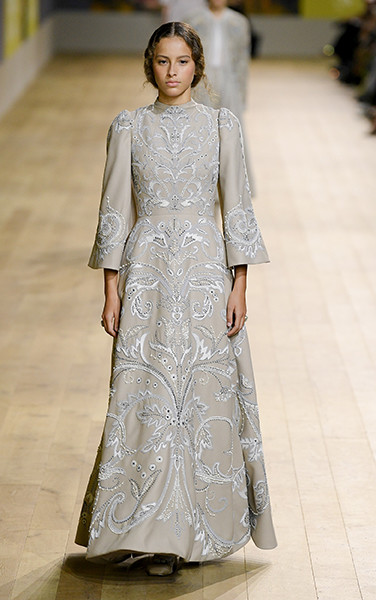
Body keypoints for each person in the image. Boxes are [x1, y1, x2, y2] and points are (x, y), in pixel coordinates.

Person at [75, 21, 276, 577]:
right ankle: (135, 525)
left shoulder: (221, 125)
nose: (172, 72)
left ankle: (181, 535)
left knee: (203, 399)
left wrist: (240, 284)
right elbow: (113, 210)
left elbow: (237, 207)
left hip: (206, 274)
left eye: (182, 61)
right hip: (146, 277)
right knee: (142, 397)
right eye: (163, 61)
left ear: (197, 66)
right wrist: (110, 289)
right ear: (150, 65)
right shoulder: (129, 126)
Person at [186, 0, 255, 192]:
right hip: (202, 81)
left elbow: (242, 60)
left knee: (230, 132)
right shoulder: (194, 20)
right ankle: (197, 184)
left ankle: (232, 186)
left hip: (229, 80)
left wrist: (242, 93)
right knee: (199, 131)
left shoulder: (239, 22)